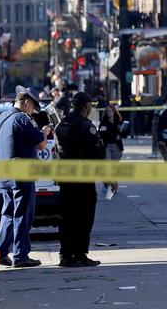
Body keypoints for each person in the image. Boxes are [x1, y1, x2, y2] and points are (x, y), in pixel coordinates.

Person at [0, 86, 50, 268]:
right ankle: (20, 255)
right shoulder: (23, 119)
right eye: (33, 106)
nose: (33, 110)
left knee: (7, 213)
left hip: (4, 173)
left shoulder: (0, 118)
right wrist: (45, 133)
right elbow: (40, 145)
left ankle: (0, 253)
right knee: (23, 214)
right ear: (25, 102)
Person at [55, 92, 104, 267]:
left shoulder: (63, 123)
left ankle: (66, 254)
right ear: (85, 105)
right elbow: (96, 154)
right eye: (90, 104)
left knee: (66, 217)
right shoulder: (85, 126)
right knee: (84, 217)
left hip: (65, 178)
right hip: (82, 179)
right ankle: (80, 254)